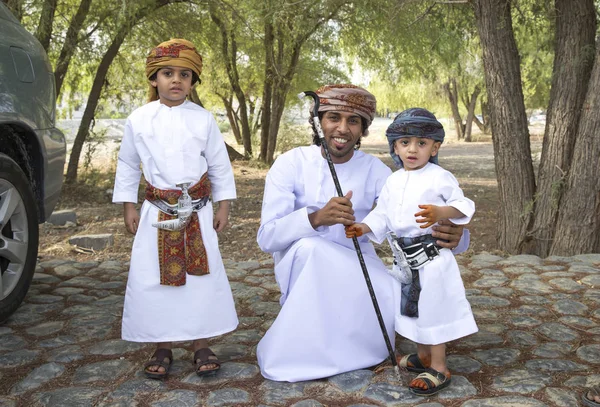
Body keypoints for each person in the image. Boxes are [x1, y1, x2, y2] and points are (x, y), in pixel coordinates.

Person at [256, 85, 468, 382]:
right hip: (303, 268)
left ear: (363, 129)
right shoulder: (291, 163)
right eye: (333, 118)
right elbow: (267, 238)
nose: (342, 128)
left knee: (395, 291)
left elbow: (411, 222)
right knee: (311, 248)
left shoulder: (379, 172)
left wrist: (457, 236)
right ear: (318, 122)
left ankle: (365, 350)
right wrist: (316, 218)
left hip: (358, 268)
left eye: (353, 121)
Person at [112, 39, 238, 379]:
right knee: (156, 278)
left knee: (200, 278)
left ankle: (200, 343)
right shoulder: (139, 119)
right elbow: (127, 164)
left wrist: (223, 204)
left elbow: (219, 166)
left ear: (193, 82)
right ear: (154, 79)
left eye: (185, 74)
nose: (176, 80)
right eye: (167, 73)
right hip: (156, 210)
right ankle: (162, 344)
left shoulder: (203, 119)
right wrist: (128, 205)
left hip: (198, 210)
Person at [346, 108, 478, 396]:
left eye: (421, 143)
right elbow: (383, 213)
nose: (412, 149)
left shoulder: (439, 176)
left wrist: (441, 211)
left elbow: (463, 205)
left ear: (435, 147)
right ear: (395, 146)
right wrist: (364, 227)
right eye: (404, 142)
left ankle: (440, 367)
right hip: (405, 259)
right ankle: (423, 356)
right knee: (412, 309)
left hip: (431, 258)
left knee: (433, 310)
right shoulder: (393, 180)